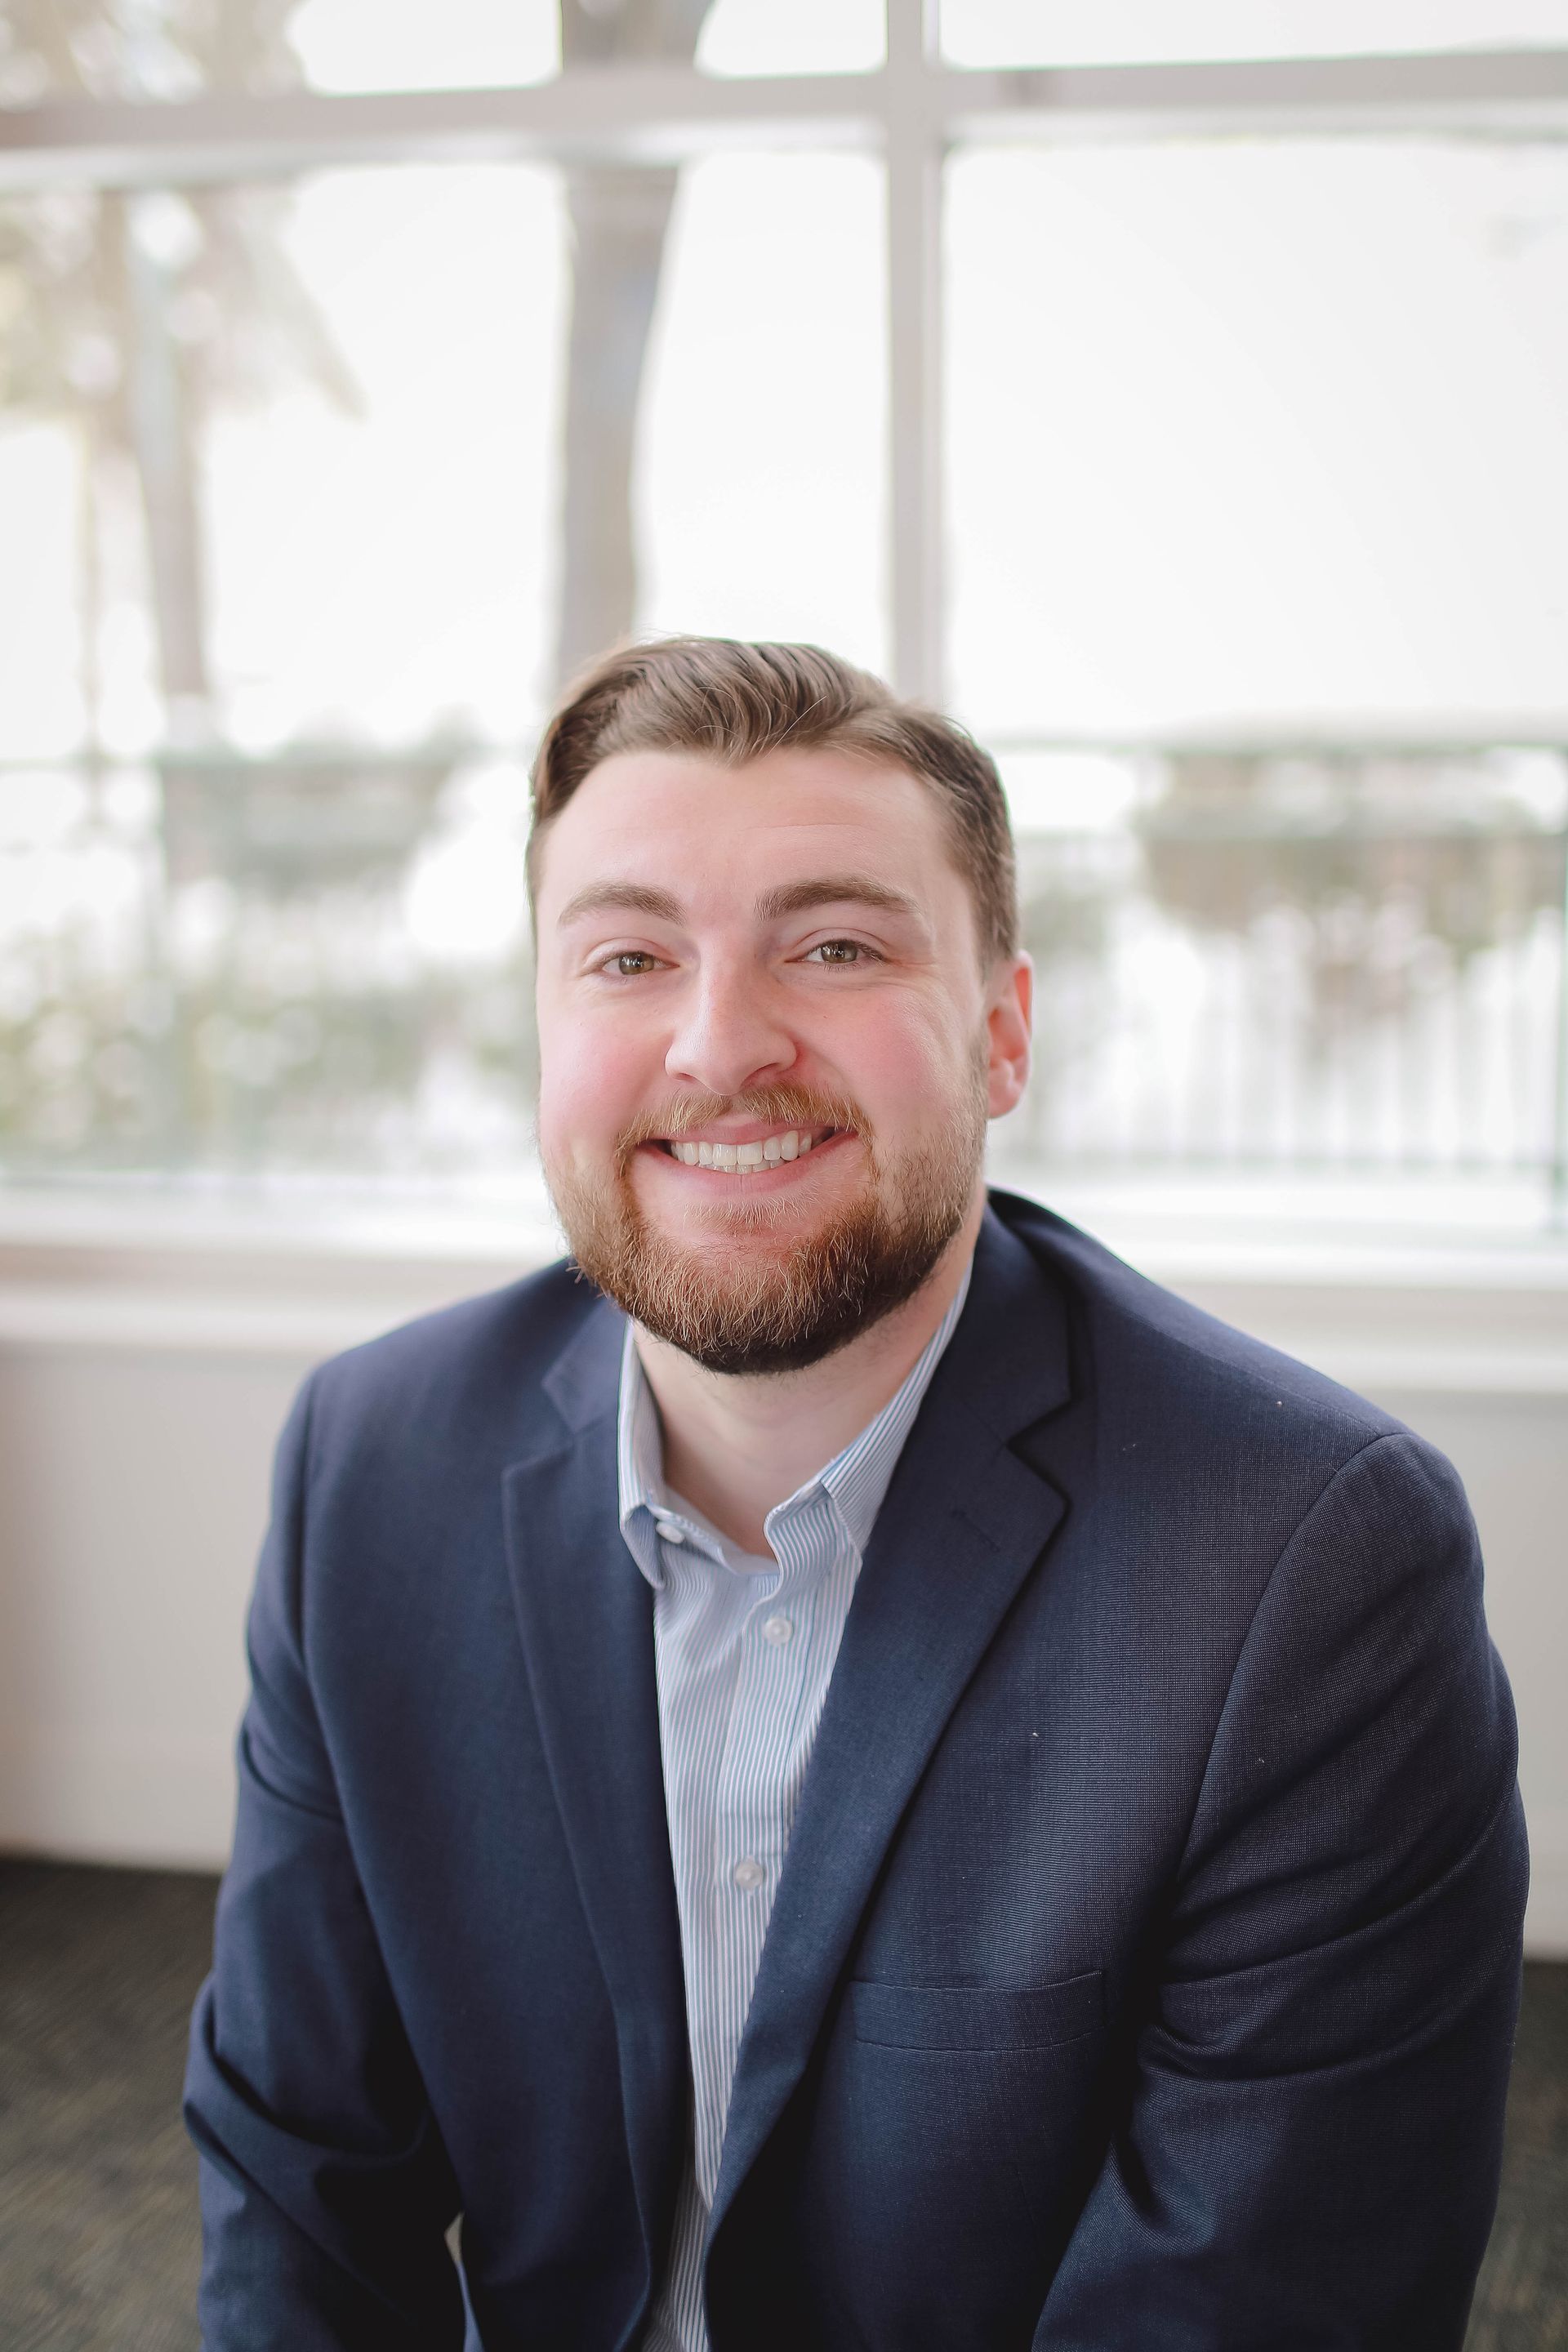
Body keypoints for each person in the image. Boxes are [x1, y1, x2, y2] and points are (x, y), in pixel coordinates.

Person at [185, 637, 1527, 2352]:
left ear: (1002, 1033)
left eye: (833, 945)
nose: (719, 1044)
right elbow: (298, 2182)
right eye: (626, 955)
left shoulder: (1302, 1566)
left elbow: (1248, 2307)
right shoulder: (367, 1466)